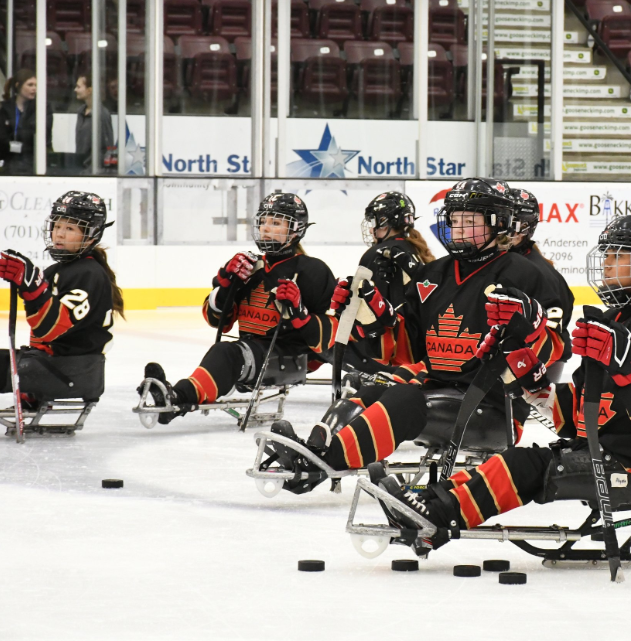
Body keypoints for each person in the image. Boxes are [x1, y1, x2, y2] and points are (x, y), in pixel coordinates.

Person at [369, 211, 631, 546]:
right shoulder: (618, 317)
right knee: (514, 461)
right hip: (605, 450)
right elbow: (584, 413)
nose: (607, 263)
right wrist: (528, 374)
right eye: (607, 253)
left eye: (620, 255)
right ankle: (429, 503)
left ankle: (436, 517)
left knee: (522, 465)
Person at [267, 178, 567, 493]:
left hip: (492, 407)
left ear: (499, 223)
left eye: (471, 221)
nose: (460, 228)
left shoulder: (527, 275)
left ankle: (318, 466)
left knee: (406, 398)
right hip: (441, 391)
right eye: (455, 220)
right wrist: (372, 311)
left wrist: (531, 326)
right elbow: (404, 350)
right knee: (365, 396)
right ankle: (313, 451)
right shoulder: (432, 274)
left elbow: (554, 352)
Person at [137, 191, 337, 424]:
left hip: (290, 357)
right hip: (254, 352)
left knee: (227, 353)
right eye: (263, 221)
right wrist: (225, 285)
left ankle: (177, 398)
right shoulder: (250, 266)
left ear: (296, 230)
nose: (266, 228)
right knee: (229, 352)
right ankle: (178, 396)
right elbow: (216, 320)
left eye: (276, 222)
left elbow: (334, 333)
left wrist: (299, 312)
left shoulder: (312, 271)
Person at [0, 191, 123, 407]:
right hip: (57, 367)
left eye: (70, 228)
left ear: (91, 235)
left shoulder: (88, 274)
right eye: (57, 226)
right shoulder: (59, 270)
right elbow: (41, 334)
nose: (59, 234)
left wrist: (31, 285)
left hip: (73, 372)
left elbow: (52, 326)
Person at [344, 191, 435, 375]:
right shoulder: (415, 249)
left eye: (374, 222)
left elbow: (367, 311)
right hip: (425, 344)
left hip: (396, 350)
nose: (371, 229)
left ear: (385, 221)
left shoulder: (377, 253)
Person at [509, 187, 574, 371]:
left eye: (513, 225)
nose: (506, 230)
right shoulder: (503, 262)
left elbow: (553, 330)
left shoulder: (539, 272)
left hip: (540, 363)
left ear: (526, 228)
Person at [0, 70, 50, 175]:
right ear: (18, 85)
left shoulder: (42, 108)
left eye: (36, 85)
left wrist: (16, 144)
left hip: (34, 164)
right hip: (10, 164)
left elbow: (39, 137)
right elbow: (2, 140)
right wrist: (18, 145)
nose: (34, 88)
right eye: (30, 85)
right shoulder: (5, 108)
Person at [73, 74, 114, 173]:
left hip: (93, 172)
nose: (75, 90)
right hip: (80, 169)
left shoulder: (102, 115)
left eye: (79, 87)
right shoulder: (81, 112)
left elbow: (108, 148)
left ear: (89, 90)